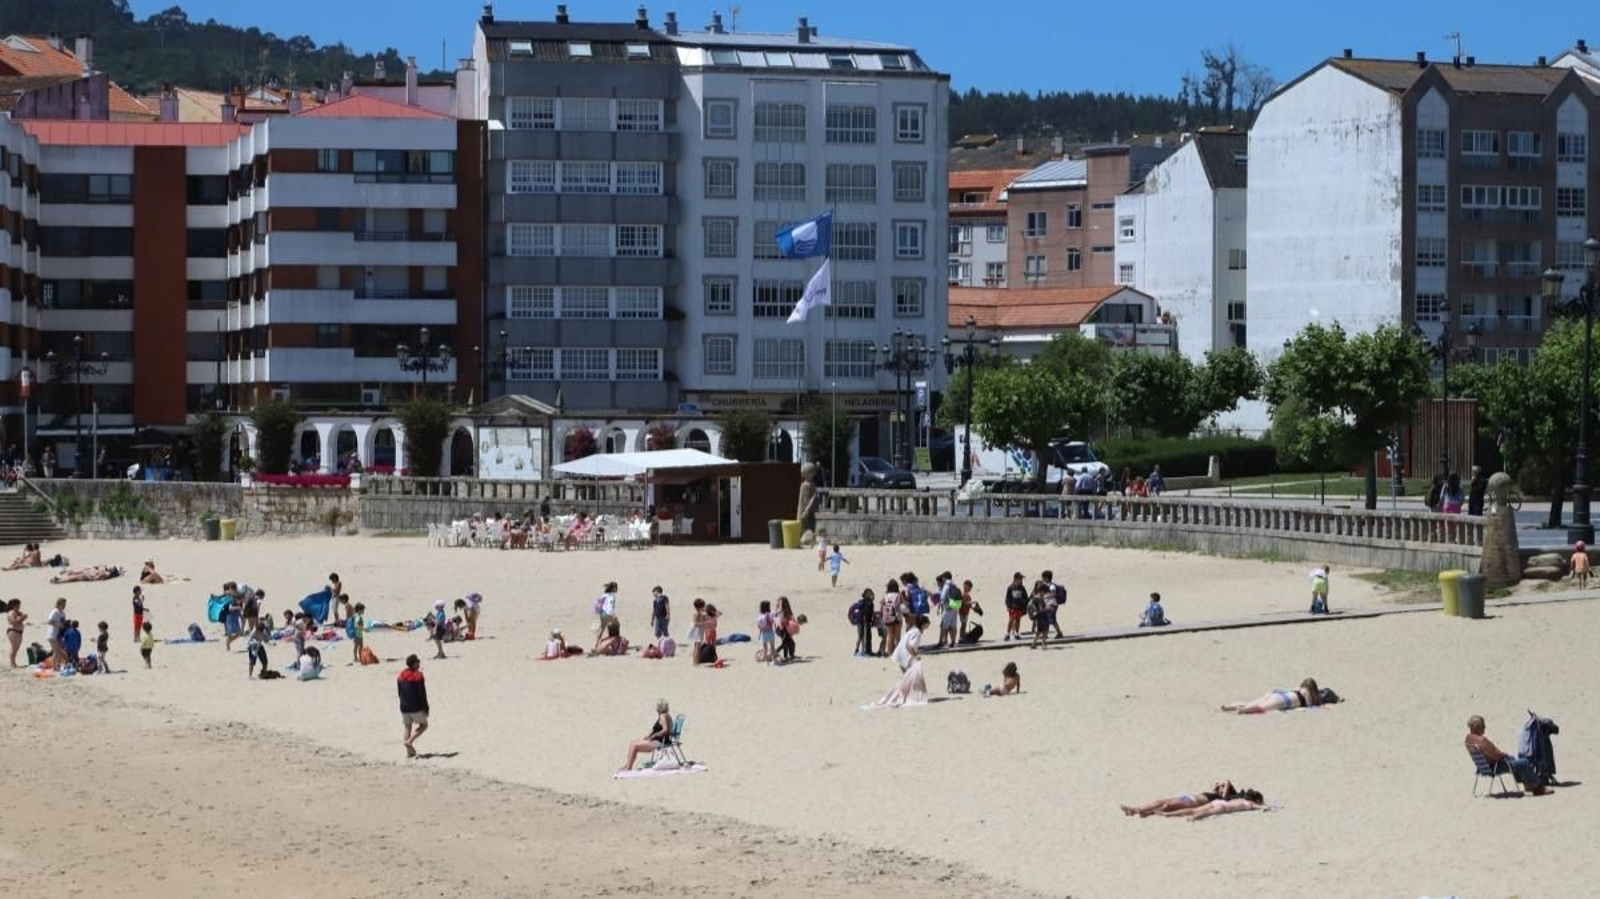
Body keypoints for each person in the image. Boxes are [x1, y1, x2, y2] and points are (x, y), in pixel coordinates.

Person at [1465, 715, 1548, 795]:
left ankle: (1528, 784)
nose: (1485, 727)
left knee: (1514, 760)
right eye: (1483, 725)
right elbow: (1496, 756)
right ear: (1476, 727)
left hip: (1482, 768)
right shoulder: (1482, 740)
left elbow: (1490, 754)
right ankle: (1538, 787)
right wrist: (1503, 755)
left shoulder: (1468, 740)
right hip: (1494, 768)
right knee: (1524, 762)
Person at [868, 614, 929, 709]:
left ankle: (906, 694)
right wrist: (916, 656)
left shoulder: (913, 630)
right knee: (909, 678)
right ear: (923, 624)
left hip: (900, 655)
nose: (928, 625)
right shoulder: (917, 632)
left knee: (908, 678)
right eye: (927, 624)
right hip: (904, 656)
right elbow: (909, 646)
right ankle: (904, 695)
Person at [1121, 782, 1248, 817]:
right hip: (1188, 797)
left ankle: (1136, 810)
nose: (1220, 787)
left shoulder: (1222, 797)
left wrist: (1223, 787)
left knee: (1164, 805)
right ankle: (1141, 811)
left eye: (1222, 787)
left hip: (1192, 801)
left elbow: (1228, 781)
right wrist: (1217, 787)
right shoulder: (1216, 795)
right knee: (1162, 803)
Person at [618, 700, 674, 773]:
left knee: (634, 746)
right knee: (632, 743)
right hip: (657, 740)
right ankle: (628, 765)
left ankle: (628, 767)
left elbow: (665, 730)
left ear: (659, 708)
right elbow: (656, 729)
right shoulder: (666, 715)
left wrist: (654, 736)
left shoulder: (663, 716)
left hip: (659, 742)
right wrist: (649, 735)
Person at [1221, 678, 1328, 714]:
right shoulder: (1307, 691)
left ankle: (1228, 707)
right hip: (1284, 700)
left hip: (1278, 694)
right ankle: (1242, 710)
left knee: (1251, 703)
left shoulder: (1299, 688)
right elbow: (1309, 706)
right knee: (1262, 708)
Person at [398, 654, 430, 758]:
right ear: (414, 664)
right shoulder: (418, 675)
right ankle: (410, 741)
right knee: (424, 725)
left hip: (403, 706)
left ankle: (409, 753)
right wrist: (426, 708)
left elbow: (399, 691)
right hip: (415, 707)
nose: (419, 663)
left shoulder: (401, 674)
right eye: (418, 662)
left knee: (407, 727)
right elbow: (422, 694)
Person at [1158, 793, 1267, 822]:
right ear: (1256, 800)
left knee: (1193, 810)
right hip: (1223, 807)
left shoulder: (1241, 799)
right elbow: (1260, 808)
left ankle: (1169, 814)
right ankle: (1194, 818)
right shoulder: (1250, 803)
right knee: (1207, 813)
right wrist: (1265, 808)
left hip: (1218, 801)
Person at [935, 572, 960, 650]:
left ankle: (941, 642)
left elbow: (942, 597)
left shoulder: (946, 586)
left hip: (947, 608)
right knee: (954, 625)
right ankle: (953, 642)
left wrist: (939, 607)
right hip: (955, 606)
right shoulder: (954, 585)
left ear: (945, 578)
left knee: (944, 625)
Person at [1003, 572, 1028, 642]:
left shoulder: (1022, 588)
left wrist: (1024, 604)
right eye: (1020, 579)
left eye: (1021, 579)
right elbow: (1007, 598)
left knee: (1018, 620)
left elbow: (1025, 597)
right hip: (1012, 607)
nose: (1021, 580)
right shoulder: (1010, 587)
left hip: (1020, 607)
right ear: (1015, 579)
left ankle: (1016, 633)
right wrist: (1008, 606)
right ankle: (1007, 633)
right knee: (1011, 620)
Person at [593, 581, 619, 651]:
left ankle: (597, 643)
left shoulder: (604, 594)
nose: (617, 589)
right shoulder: (611, 596)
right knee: (616, 625)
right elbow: (609, 606)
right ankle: (615, 643)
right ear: (613, 588)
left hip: (602, 614)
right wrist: (613, 615)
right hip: (607, 614)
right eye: (616, 588)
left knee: (602, 629)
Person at [852, 589, 877, 657]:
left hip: (863, 622)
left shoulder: (868, 603)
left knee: (863, 636)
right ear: (867, 596)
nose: (873, 596)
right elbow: (866, 613)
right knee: (862, 636)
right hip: (863, 622)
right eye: (871, 595)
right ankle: (862, 651)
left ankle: (864, 650)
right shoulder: (867, 603)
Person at [1042, 569, 1066, 638]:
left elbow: (1053, 593)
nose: (1042, 579)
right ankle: (1045, 635)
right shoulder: (1046, 585)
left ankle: (1059, 633)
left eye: (1043, 577)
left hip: (1052, 604)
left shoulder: (1051, 585)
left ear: (1046, 578)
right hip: (1047, 604)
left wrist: (1045, 596)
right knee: (1046, 619)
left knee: (1052, 620)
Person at [46, 597, 67, 669]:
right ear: (59, 604)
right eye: (63, 604)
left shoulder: (63, 613)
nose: (64, 606)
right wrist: (58, 624)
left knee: (59, 651)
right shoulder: (55, 611)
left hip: (59, 634)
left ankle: (57, 665)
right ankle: (54, 667)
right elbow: (49, 621)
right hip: (52, 634)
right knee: (56, 651)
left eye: (65, 604)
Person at [49, 565, 122, 584]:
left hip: (90, 576)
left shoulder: (107, 574)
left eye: (113, 568)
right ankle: (61, 577)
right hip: (89, 574)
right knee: (75, 575)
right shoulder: (107, 572)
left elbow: (98, 577)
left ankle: (59, 580)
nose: (111, 568)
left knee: (75, 577)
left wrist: (99, 571)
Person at [6, 598, 26, 667]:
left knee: (16, 648)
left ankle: (13, 662)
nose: (19, 607)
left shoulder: (18, 612)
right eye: (17, 605)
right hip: (13, 631)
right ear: (14, 605)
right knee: (14, 648)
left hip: (19, 632)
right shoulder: (11, 613)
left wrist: (22, 617)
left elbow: (21, 618)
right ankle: (12, 663)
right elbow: (14, 622)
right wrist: (22, 618)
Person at [686, 598, 707, 663]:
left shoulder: (702, 614)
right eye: (703, 606)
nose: (704, 607)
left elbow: (704, 620)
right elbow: (695, 623)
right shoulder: (696, 613)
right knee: (697, 647)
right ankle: (695, 662)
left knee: (697, 646)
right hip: (696, 631)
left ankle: (697, 660)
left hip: (699, 630)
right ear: (699, 607)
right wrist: (703, 623)